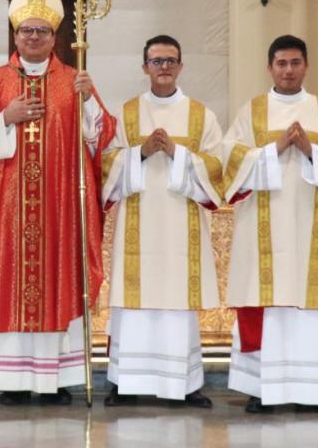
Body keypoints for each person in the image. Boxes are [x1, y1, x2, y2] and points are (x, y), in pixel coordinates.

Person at [0, 0, 117, 405]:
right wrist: (5, 118)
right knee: (11, 280)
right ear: (15, 35)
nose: (33, 38)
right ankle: (13, 382)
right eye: (26, 31)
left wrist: (88, 101)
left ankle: (56, 379)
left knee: (58, 278)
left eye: (42, 31)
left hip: (59, 208)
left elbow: (99, 137)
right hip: (9, 209)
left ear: (56, 37)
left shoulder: (73, 79)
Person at [220, 34, 318, 414]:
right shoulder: (252, 112)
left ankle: (309, 392)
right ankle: (262, 390)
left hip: (310, 231)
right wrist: (277, 148)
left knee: (304, 308)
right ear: (270, 67)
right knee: (267, 303)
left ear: (306, 66)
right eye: (281, 63)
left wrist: (311, 151)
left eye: (295, 63)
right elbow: (231, 162)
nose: (288, 70)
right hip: (261, 232)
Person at [100, 35, 221, 408]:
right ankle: (126, 383)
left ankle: (183, 384)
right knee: (135, 302)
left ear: (181, 66)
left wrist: (177, 153)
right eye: (156, 61)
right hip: (138, 221)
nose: (164, 67)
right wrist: (139, 153)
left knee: (176, 302)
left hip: (181, 224)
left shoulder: (202, 115)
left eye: (170, 61)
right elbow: (107, 161)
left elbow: (217, 166)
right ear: (145, 68)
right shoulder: (128, 113)